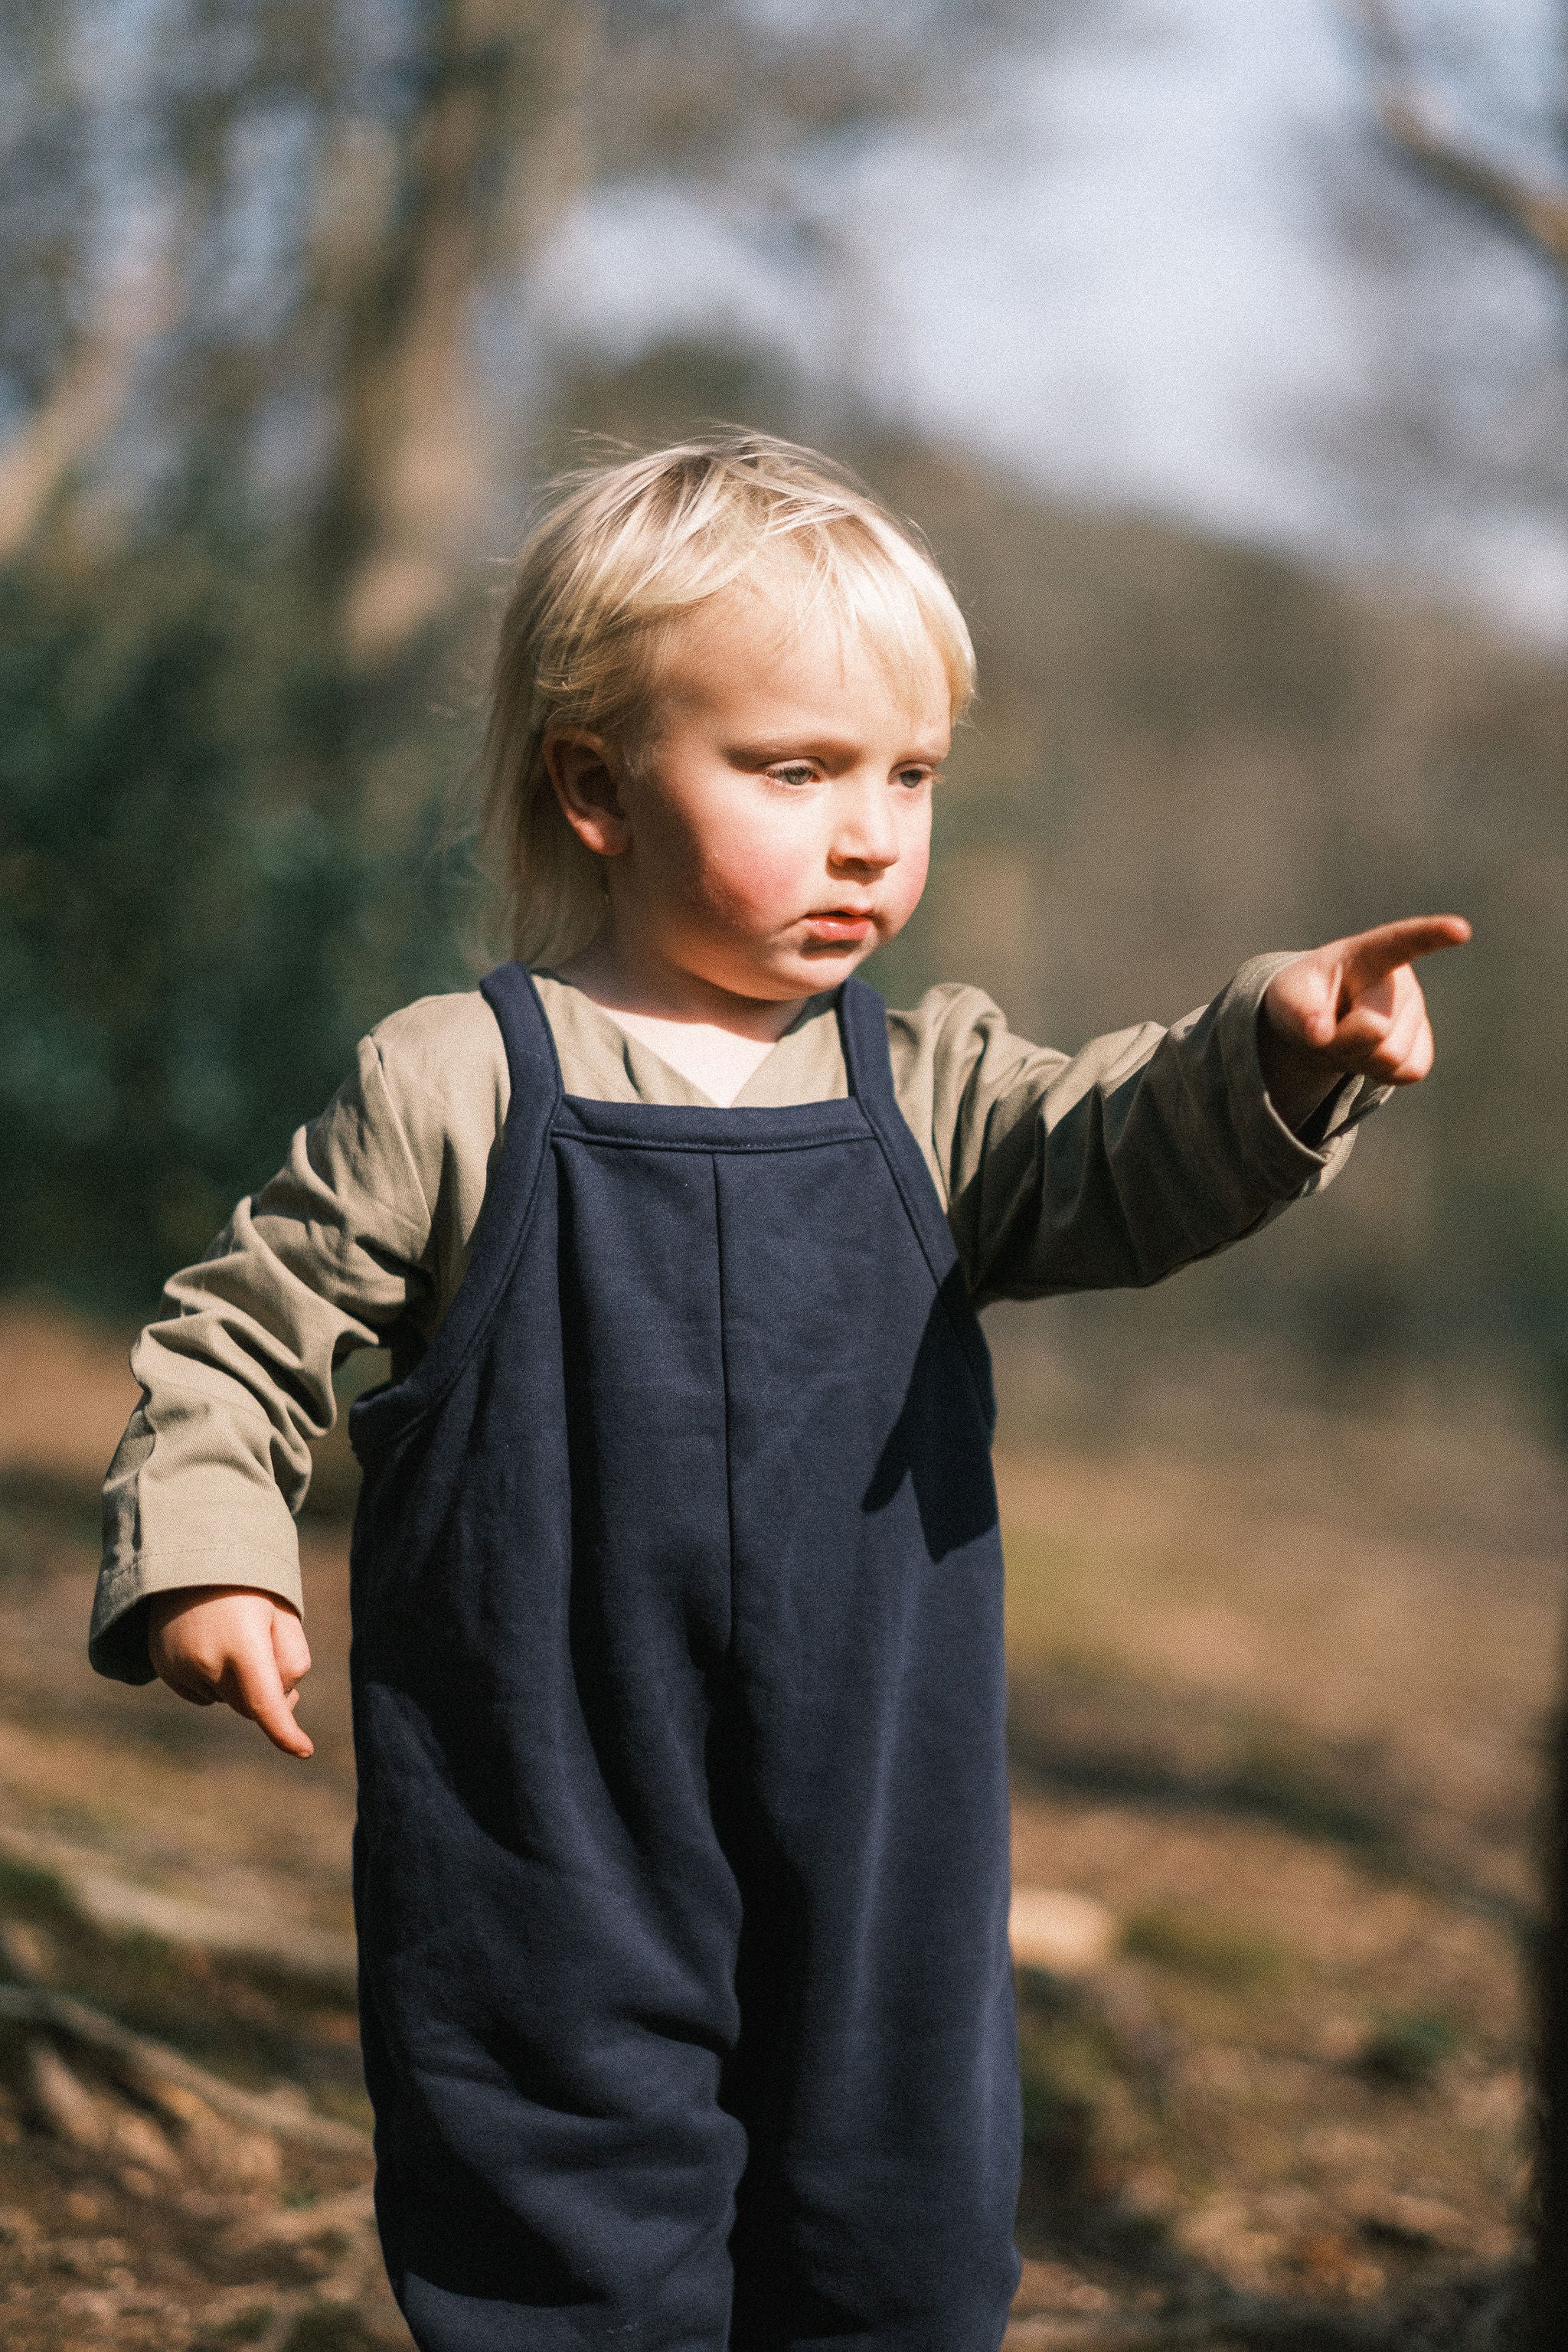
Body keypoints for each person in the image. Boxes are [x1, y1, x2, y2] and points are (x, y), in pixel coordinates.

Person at [90, 433, 1468, 2352]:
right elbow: (240, 1333)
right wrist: (206, 1557)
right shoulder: (456, 1085)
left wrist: (1276, 1058)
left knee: (890, 2229)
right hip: (540, 1802)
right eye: (794, 769)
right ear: (595, 785)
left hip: (881, 1809)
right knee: (560, 2226)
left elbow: (1121, 1152)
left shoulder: (929, 1090)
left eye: (909, 777)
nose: (868, 835)